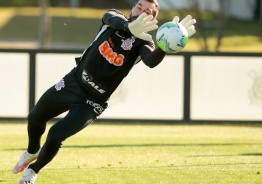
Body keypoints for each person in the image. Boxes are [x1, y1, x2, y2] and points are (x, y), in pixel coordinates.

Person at [13, 0, 196, 183]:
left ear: (152, 19)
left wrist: (166, 46)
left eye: (148, 11)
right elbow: (109, 17)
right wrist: (128, 26)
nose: (141, 11)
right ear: (133, 8)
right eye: (139, 6)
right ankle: (32, 151)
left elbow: (151, 61)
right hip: (73, 82)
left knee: (56, 135)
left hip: (93, 101)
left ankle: (32, 171)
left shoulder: (144, 42)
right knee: (35, 117)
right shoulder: (115, 17)